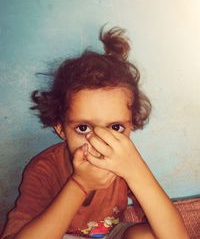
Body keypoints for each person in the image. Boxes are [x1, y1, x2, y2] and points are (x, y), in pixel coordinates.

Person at [1, 27, 189, 239]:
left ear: (131, 126)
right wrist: (79, 185)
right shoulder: (43, 169)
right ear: (60, 128)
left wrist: (136, 172)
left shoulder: (123, 161)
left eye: (115, 127)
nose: (99, 142)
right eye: (83, 128)